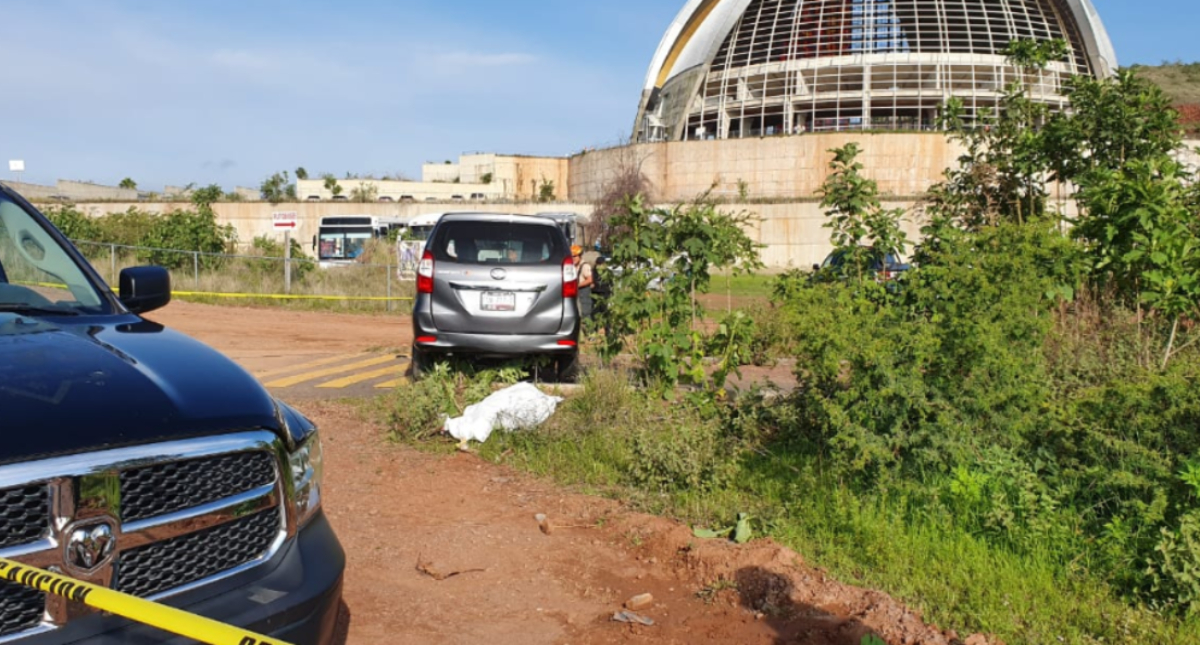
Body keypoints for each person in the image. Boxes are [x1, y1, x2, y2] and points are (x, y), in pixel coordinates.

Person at [572, 245, 594, 319]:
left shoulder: (585, 266)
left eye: (575, 256)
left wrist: (577, 285)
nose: (573, 258)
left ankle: (589, 329)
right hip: (575, 292)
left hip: (584, 291)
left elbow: (590, 279)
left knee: (586, 312)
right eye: (571, 256)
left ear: (579, 256)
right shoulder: (573, 266)